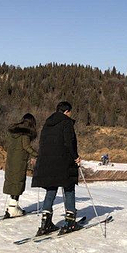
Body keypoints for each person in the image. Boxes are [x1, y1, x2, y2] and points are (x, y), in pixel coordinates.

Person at [31, 101, 82, 236]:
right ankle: (70, 221)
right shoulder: (67, 123)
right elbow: (69, 142)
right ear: (66, 111)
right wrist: (75, 157)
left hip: (47, 162)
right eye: (70, 112)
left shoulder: (47, 125)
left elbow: (42, 143)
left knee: (51, 189)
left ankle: (45, 222)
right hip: (64, 161)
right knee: (69, 188)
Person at [2, 113, 38, 218]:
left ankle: (12, 206)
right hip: (19, 161)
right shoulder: (25, 134)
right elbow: (26, 147)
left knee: (12, 181)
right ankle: (13, 208)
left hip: (11, 160)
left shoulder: (12, 133)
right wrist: (37, 154)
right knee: (18, 182)